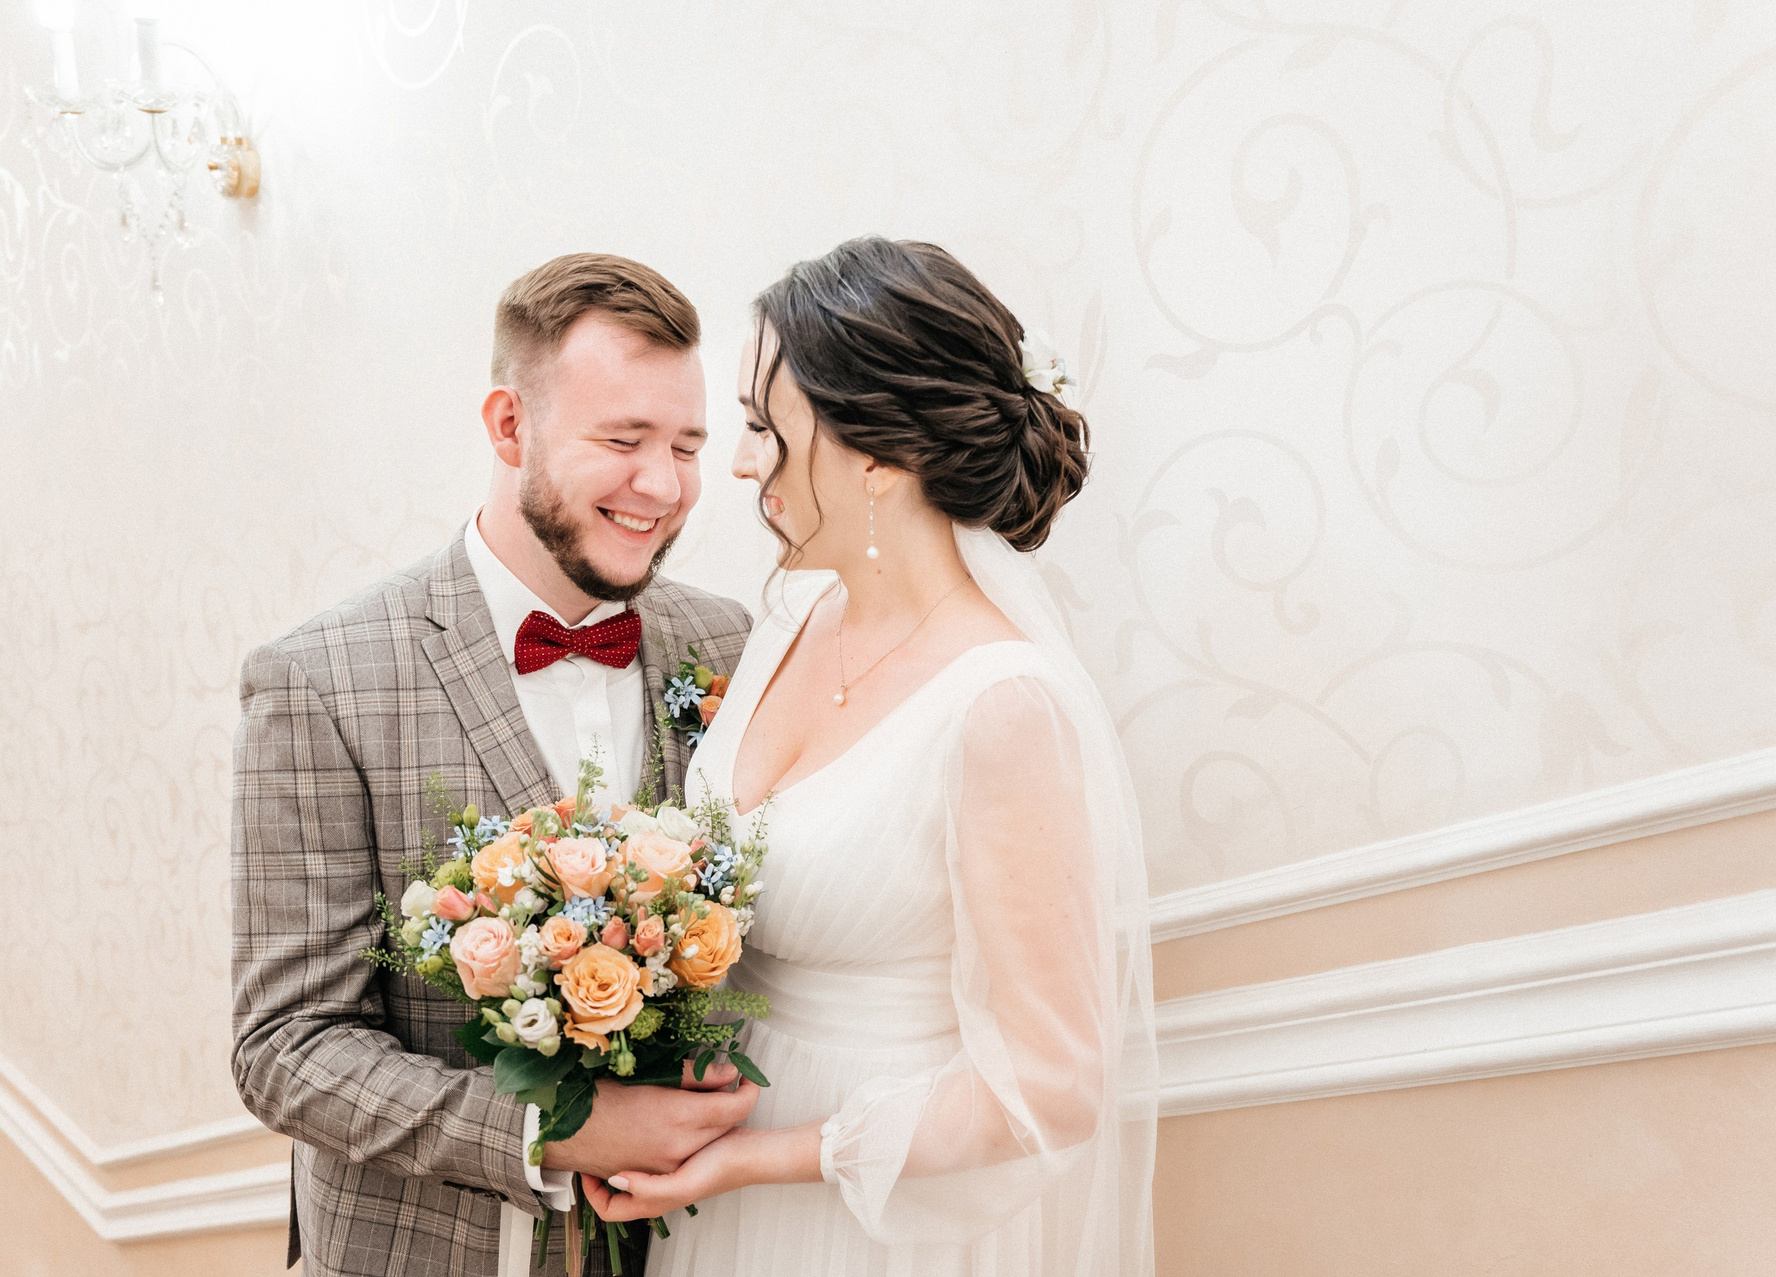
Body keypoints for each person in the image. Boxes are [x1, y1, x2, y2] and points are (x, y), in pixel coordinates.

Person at [584, 237, 1158, 1276]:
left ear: (879, 455)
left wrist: (762, 1159)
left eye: (766, 427)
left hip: (875, 1211)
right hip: (717, 1178)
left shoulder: (1004, 706)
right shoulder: (790, 620)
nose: (742, 463)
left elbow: (1056, 1083)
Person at [229, 253, 758, 1277]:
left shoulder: (727, 642)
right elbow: (285, 1047)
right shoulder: (319, 680)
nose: (664, 485)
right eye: (623, 440)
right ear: (510, 426)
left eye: (687, 445)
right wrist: (551, 1130)